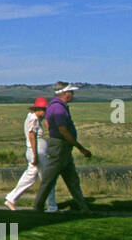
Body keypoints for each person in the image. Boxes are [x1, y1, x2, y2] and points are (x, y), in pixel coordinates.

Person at [33, 82, 92, 212]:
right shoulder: (59, 109)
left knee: (72, 180)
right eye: (71, 92)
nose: (72, 95)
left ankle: (84, 208)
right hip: (60, 147)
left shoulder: (55, 106)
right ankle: (37, 207)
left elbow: (49, 123)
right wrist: (80, 148)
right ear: (65, 93)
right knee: (50, 179)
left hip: (62, 148)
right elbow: (63, 130)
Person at [4, 97, 56, 211]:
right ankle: (52, 205)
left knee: (30, 176)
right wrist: (35, 155)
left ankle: (11, 199)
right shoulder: (33, 120)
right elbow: (32, 137)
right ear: (39, 109)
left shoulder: (33, 117)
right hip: (37, 152)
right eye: (44, 110)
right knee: (48, 177)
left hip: (36, 151)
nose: (45, 113)